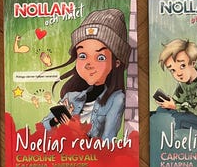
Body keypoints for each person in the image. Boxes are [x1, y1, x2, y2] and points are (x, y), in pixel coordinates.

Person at [42, 8, 131, 140]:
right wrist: (57, 120)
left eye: (100, 57)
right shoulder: (71, 97)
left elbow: (107, 142)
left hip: (90, 152)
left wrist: (73, 128)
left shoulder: (116, 99)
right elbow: (43, 127)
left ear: (116, 63)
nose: (89, 64)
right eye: (83, 56)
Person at [154, 38, 197, 134]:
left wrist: (175, 106)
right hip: (191, 119)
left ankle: (173, 139)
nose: (178, 73)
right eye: (173, 70)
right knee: (161, 111)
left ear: (192, 63)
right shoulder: (184, 83)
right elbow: (177, 101)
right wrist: (169, 103)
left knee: (178, 119)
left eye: (182, 66)